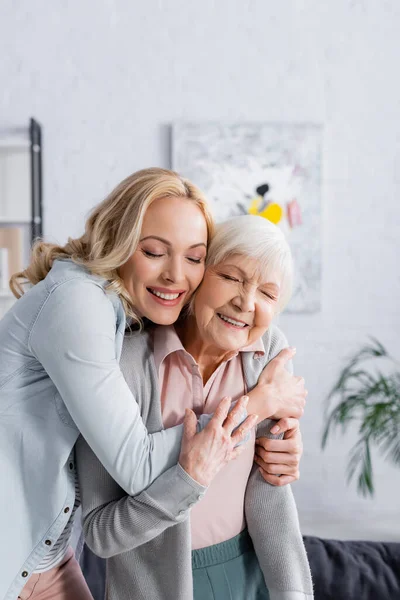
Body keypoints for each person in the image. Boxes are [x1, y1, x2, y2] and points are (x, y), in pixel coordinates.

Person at [0, 168, 279, 600]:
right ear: (119, 240)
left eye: (194, 258)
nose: (176, 276)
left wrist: (281, 432)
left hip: (43, 555)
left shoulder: (122, 310)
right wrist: (256, 406)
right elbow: (136, 466)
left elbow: (247, 319)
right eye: (154, 251)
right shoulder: (79, 304)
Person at [76, 215, 313, 600]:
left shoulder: (267, 352)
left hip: (253, 574)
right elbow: (101, 534)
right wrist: (189, 475)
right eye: (232, 277)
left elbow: (272, 484)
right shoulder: (124, 364)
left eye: (267, 294)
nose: (246, 302)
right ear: (200, 275)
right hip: (159, 585)